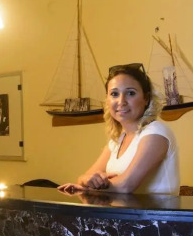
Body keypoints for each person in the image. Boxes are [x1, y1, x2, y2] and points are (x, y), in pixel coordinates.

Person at [58, 62, 179, 194]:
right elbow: (83, 178)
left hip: (156, 209)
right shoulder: (116, 141)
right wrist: (86, 180)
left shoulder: (156, 132)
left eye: (131, 93)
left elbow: (125, 185)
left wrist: (88, 186)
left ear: (146, 98)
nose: (121, 101)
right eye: (114, 94)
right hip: (122, 208)